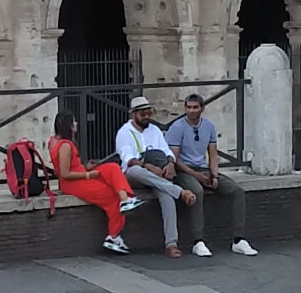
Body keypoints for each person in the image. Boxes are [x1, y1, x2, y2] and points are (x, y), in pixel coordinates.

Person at [163, 91, 258, 259]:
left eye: (195, 107)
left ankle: (238, 239)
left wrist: (214, 175)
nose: (191, 111)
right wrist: (196, 175)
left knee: (237, 191)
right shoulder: (177, 127)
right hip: (184, 170)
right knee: (197, 191)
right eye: (188, 107)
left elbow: (212, 154)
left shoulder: (209, 126)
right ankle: (197, 241)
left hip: (203, 169)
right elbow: (174, 159)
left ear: (202, 108)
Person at [113, 93, 200, 258]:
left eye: (148, 113)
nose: (146, 116)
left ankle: (171, 244)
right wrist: (147, 166)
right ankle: (180, 192)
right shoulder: (124, 132)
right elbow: (128, 159)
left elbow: (167, 151)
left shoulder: (155, 130)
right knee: (136, 171)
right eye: (142, 114)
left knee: (166, 195)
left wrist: (169, 163)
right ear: (133, 114)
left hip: (158, 176)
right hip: (134, 176)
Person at [48, 109, 137, 255]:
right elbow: (64, 173)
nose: (76, 124)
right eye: (74, 121)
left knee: (113, 168)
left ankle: (126, 199)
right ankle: (113, 236)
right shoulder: (65, 145)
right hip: (75, 182)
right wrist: (88, 174)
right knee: (113, 199)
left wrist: (85, 167)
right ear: (68, 125)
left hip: (79, 174)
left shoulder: (53, 141)